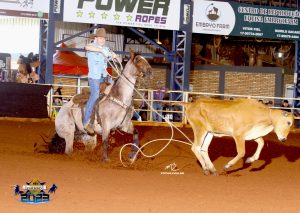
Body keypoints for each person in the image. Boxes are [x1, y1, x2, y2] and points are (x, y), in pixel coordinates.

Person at [83, 28, 117, 135]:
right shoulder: (91, 46)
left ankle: (110, 119)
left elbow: (114, 56)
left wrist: (115, 56)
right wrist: (100, 50)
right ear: (96, 38)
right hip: (94, 77)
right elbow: (86, 47)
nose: (102, 40)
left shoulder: (106, 49)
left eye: (103, 38)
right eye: (100, 38)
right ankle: (85, 122)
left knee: (114, 91)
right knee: (95, 94)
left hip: (104, 76)